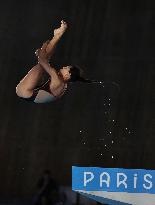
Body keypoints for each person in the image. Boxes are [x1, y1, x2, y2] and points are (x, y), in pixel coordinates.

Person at [16, 20, 87, 104]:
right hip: (34, 91)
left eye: (66, 68)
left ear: (68, 75)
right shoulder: (64, 85)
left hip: (23, 91)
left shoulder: (57, 80)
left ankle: (57, 35)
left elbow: (42, 60)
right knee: (45, 60)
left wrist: (43, 47)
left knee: (42, 63)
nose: (63, 67)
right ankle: (57, 35)